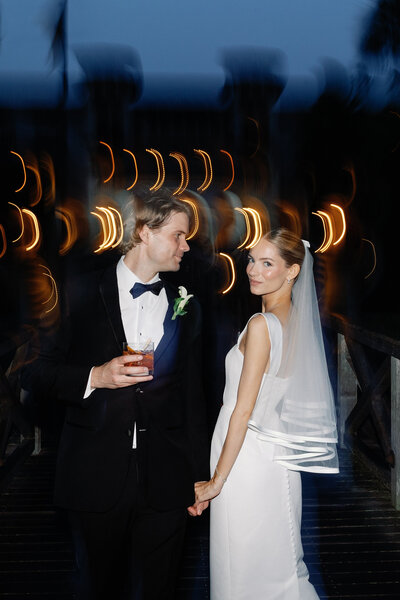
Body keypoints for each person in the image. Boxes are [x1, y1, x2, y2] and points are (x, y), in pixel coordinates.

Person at [23, 188, 209, 599]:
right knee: (97, 588)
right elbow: (34, 372)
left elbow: (193, 397)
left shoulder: (186, 303)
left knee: (160, 589)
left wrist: (199, 476)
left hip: (167, 477)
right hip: (95, 475)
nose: (186, 244)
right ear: (144, 232)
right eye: (178, 235)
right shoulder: (77, 292)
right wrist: (95, 376)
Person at [194, 228, 339, 600]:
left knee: (242, 572)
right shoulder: (293, 322)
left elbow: (243, 411)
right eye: (252, 261)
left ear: (292, 272)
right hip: (276, 457)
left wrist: (216, 481)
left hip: (245, 459)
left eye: (267, 263)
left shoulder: (262, 325)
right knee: (278, 566)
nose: (253, 271)